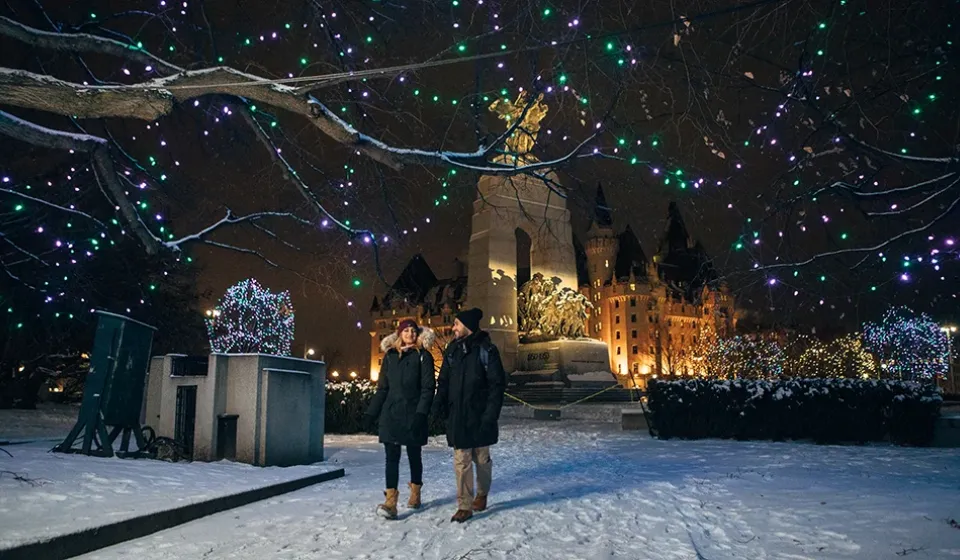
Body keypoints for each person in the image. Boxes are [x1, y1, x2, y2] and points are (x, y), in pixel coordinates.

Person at [432, 307, 507, 523]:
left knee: (481, 459)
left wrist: (490, 415)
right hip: (458, 415)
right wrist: (439, 406)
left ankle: (482, 493)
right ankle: (464, 505)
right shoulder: (452, 351)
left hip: (480, 415)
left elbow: (496, 385)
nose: (453, 328)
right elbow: (444, 381)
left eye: (456, 324)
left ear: (467, 326)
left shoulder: (487, 350)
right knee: (461, 460)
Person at [364, 319, 436, 519]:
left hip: (413, 413)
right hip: (391, 413)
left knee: (414, 455)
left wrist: (421, 413)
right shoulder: (390, 356)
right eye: (406, 331)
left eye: (413, 331)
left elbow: (428, 388)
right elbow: (382, 388)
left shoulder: (424, 356)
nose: (410, 334)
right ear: (399, 334)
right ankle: (391, 502)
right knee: (391, 458)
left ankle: (415, 492)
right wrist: (371, 412)